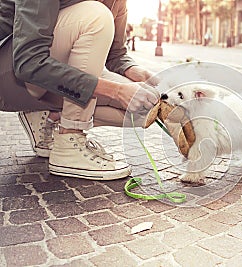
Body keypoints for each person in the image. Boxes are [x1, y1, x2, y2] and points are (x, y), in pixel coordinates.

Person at [0, 1, 160, 180]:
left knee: (144, 110)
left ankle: (46, 115)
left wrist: (144, 75)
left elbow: (117, 55)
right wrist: (117, 91)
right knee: (96, 17)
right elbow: (28, 64)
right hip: (10, 73)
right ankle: (70, 140)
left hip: (41, 78)